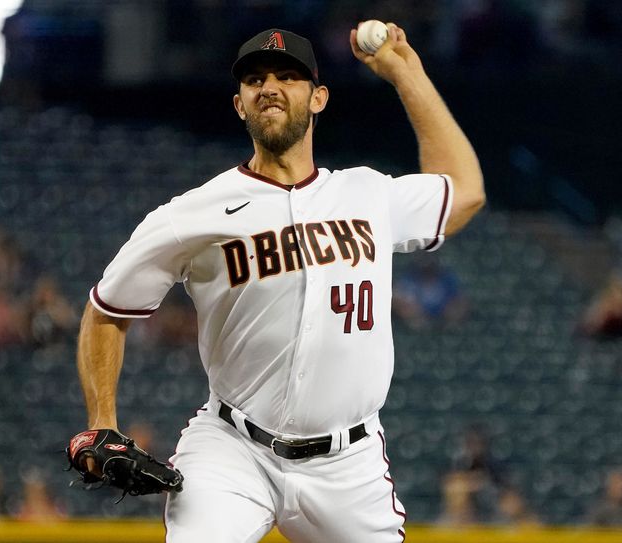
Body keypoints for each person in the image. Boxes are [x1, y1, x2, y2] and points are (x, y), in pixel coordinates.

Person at [73, 24, 484, 542]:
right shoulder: (193, 213)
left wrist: (407, 75)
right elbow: (107, 309)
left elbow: (465, 192)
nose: (269, 86)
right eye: (254, 79)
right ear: (240, 104)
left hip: (348, 466)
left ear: (318, 98)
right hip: (233, 448)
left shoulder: (367, 193)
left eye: (287, 76)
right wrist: (102, 421)